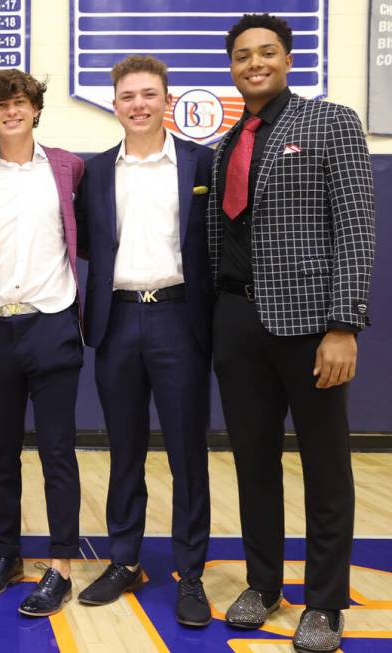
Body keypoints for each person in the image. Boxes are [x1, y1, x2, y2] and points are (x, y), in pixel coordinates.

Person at [211, 14, 374, 652]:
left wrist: (344, 324)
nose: (254, 63)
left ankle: (327, 604)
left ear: (288, 59)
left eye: (267, 53)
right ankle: (264, 584)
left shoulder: (330, 122)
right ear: (231, 66)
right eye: (243, 55)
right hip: (236, 322)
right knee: (253, 463)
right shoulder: (227, 143)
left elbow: (356, 227)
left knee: (326, 467)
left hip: (310, 327)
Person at [75, 56, 214, 627]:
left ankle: (191, 572)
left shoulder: (200, 161)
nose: (138, 104)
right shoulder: (95, 171)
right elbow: (87, 243)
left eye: (149, 94)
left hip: (179, 319)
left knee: (187, 453)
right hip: (118, 319)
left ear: (166, 100)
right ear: (115, 104)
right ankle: (124, 559)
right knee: (124, 451)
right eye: (128, 95)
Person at [0, 69, 84, 617]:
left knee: (58, 451)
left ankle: (60, 566)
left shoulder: (68, 167)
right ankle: (4, 553)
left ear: (35, 109)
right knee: (0, 454)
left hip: (52, 323)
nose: (11, 112)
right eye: (0, 105)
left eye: (20, 103)